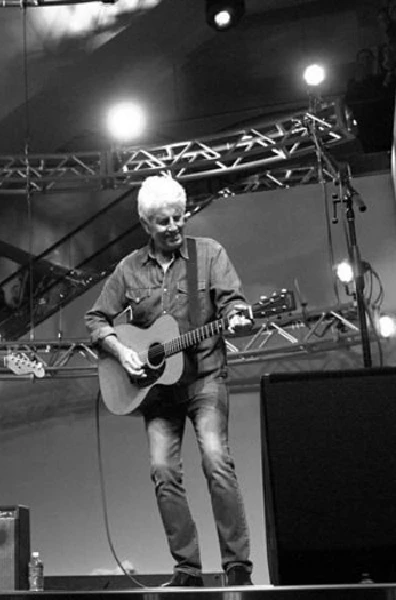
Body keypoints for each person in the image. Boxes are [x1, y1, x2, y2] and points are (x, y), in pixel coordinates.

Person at [84, 174, 253, 587]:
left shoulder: (209, 254)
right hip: (159, 393)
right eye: (163, 222)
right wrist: (123, 352)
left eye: (179, 217)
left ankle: (236, 567)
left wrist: (235, 316)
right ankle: (188, 569)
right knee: (163, 470)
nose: (174, 227)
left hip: (206, 379)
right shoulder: (128, 269)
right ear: (146, 225)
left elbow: (233, 300)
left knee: (216, 460)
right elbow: (96, 319)